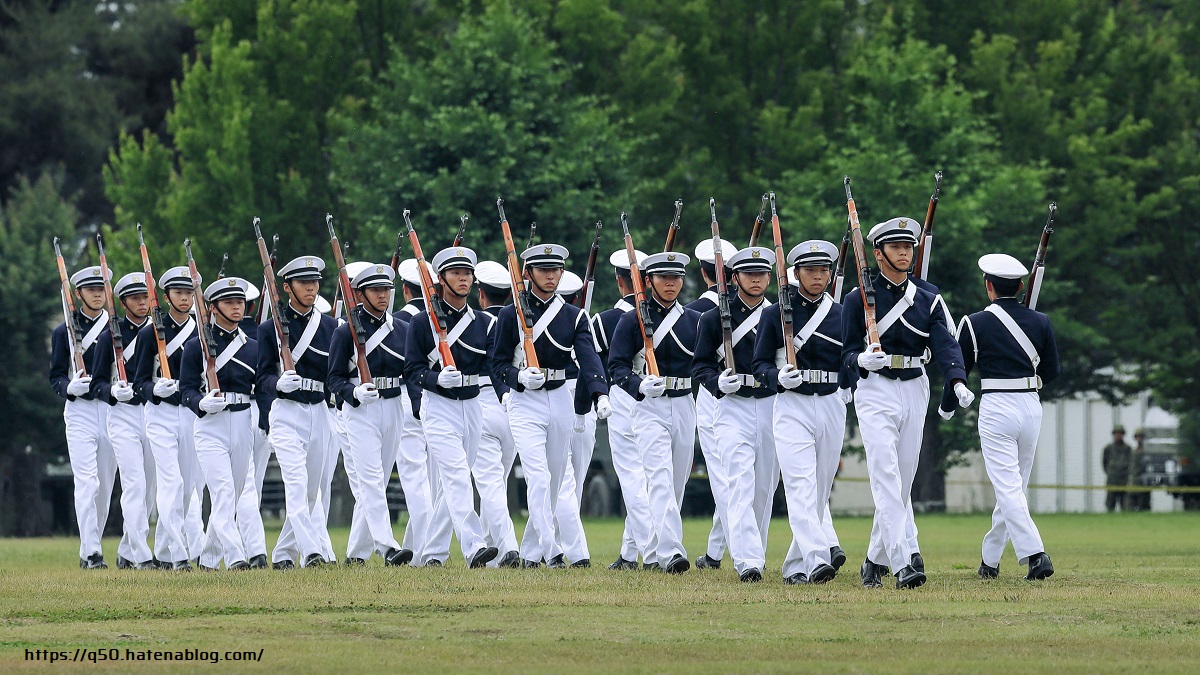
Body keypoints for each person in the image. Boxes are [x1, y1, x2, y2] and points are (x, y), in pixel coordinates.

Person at [841, 217, 969, 589]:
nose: (905, 253)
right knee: (885, 474)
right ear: (878, 254)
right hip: (876, 387)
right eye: (896, 247)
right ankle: (903, 562)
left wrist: (957, 378)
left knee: (902, 481)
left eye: (908, 247)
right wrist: (860, 361)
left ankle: (872, 561)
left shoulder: (928, 296)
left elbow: (945, 341)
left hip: (915, 385)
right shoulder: (857, 298)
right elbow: (846, 351)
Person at [488, 243, 611, 568]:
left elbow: (588, 357)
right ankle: (551, 548)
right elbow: (497, 363)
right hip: (525, 401)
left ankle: (530, 554)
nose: (551, 276)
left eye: (555, 270)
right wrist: (515, 378)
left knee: (556, 479)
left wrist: (600, 393)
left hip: (560, 398)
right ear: (528, 274)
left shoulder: (573, 316)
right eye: (544, 270)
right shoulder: (509, 314)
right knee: (539, 478)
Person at [940, 254, 1059, 580]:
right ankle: (990, 560)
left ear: (988, 286)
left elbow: (958, 368)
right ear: (1021, 287)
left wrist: (947, 406)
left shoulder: (974, 322)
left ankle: (1035, 554)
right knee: (1014, 488)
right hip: (1031, 405)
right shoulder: (1041, 321)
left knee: (1008, 488)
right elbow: (1052, 370)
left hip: (996, 407)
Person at [753, 240, 850, 586]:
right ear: (796, 274)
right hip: (792, 403)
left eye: (824, 270)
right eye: (810, 270)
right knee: (799, 485)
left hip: (830, 402)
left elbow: (849, 359)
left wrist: (854, 377)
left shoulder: (842, 314)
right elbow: (759, 362)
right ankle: (816, 556)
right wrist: (776, 377)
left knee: (820, 489)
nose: (818, 276)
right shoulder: (775, 312)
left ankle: (796, 565)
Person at [404, 247, 499, 568]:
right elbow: (412, 370)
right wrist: (434, 379)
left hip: (473, 405)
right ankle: (474, 547)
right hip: (439, 406)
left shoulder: (483, 323)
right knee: (458, 477)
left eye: (468, 273)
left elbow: (493, 364)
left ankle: (431, 554)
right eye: (457, 273)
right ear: (441, 278)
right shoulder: (421, 323)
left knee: (451, 484)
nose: (464, 279)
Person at [608, 251, 700, 574]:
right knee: (658, 479)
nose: (671, 284)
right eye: (663, 278)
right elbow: (616, 366)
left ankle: (650, 548)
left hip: (685, 402)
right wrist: (638, 385)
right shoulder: (632, 318)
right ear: (649, 281)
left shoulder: (693, 320)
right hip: (648, 406)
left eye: (676, 278)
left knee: (676, 483)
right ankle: (670, 552)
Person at [692, 245, 779, 582]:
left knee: (764, 489)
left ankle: (756, 549)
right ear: (733, 278)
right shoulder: (713, 318)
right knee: (738, 483)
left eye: (761, 274)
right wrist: (717, 383)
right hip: (732, 406)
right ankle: (748, 562)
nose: (756, 280)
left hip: (771, 403)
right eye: (748, 274)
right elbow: (699, 367)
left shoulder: (776, 315)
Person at [326, 263, 412, 567]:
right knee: (372, 480)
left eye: (386, 290)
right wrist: (352, 393)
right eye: (375, 290)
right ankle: (388, 546)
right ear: (360, 294)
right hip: (360, 410)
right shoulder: (344, 331)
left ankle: (355, 554)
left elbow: (410, 370)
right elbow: (333, 378)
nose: (382, 296)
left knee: (375, 481)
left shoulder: (402, 328)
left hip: (393, 406)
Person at [256, 255, 338, 569]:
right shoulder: (269, 329)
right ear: (287, 287)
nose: (311, 288)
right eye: (303, 283)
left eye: (314, 282)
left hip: (319, 411)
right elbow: (262, 378)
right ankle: (312, 551)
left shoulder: (330, 326)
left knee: (312, 490)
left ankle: (283, 554)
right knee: (296, 481)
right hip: (286, 412)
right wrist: (280, 384)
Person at [179, 277, 259, 571]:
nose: (237, 307)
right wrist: (199, 403)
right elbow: (185, 389)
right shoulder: (193, 348)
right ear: (213, 308)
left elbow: (260, 383)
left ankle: (209, 559)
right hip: (210, 424)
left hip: (242, 420)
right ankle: (236, 555)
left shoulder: (252, 347)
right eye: (229, 302)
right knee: (223, 492)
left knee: (233, 495)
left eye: (240, 302)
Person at [133, 265, 203, 571]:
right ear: (166, 296)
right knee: (171, 483)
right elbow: (138, 383)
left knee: (188, 488)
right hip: (160, 414)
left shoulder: (202, 330)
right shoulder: (149, 333)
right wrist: (154, 388)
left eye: (189, 292)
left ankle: (162, 550)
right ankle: (178, 554)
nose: (185, 298)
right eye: (179, 293)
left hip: (190, 413)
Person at [50, 264, 119, 570]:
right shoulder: (62, 331)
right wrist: (69, 387)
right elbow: (55, 377)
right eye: (91, 289)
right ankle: (92, 550)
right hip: (79, 411)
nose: (97, 294)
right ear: (77, 295)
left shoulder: (116, 327)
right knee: (87, 483)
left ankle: (91, 542)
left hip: (111, 409)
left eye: (101, 288)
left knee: (105, 486)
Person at [590, 248, 653, 570]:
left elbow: (601, 365)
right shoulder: (659, 315)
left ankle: (653, 550)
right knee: (648, 478)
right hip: (658, 395)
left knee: (632, 478)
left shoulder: (603, 320)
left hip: (622, 396)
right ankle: (630, 554)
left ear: (619, 282)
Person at [91, 272, 159, 569]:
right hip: (122, 416)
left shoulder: (160, 332)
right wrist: (111, 391)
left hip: (154, 413)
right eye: (135, 298)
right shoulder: (109, 337)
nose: (142, 303)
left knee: (152, 490)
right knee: (134, 484)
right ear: (123, 302)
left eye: (145, 297)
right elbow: (96, 384)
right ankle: (142, 553)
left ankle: (128, 549)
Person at [687, 238, 735, 570]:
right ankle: (716, 551)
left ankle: (740, 549)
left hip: (711, 394)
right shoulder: (756, 305)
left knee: (724, 477)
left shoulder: (692, 312)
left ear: (703, 273)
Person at [472, 261, 521, 567]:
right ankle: (491, 550)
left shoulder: (473, 322)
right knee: (497, 484)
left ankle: (509, 546)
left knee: (490, 484)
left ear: (481, 295)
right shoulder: (517, 322)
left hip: (481, 404)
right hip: (514, 405)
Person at [1102, 425, 1132, 512]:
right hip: (1112, 481)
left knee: (1125, 506)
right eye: (1116, 434)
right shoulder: (1108, 449)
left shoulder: (1128, 449)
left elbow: (1131, 463)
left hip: (1124, 482)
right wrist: (1111, 473)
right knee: (1110, 506)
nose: (1118, 436)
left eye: (1120, 434)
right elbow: (1104, 464)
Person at [1128, 428, 1150, 512]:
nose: (1139, 439)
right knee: (1130, 507)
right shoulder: (1132, 452)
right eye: (1138, 437)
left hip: (1144, 482)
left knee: (1144, 506)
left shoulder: (1148, 452)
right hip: (1133, 482)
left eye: (1141, 437)